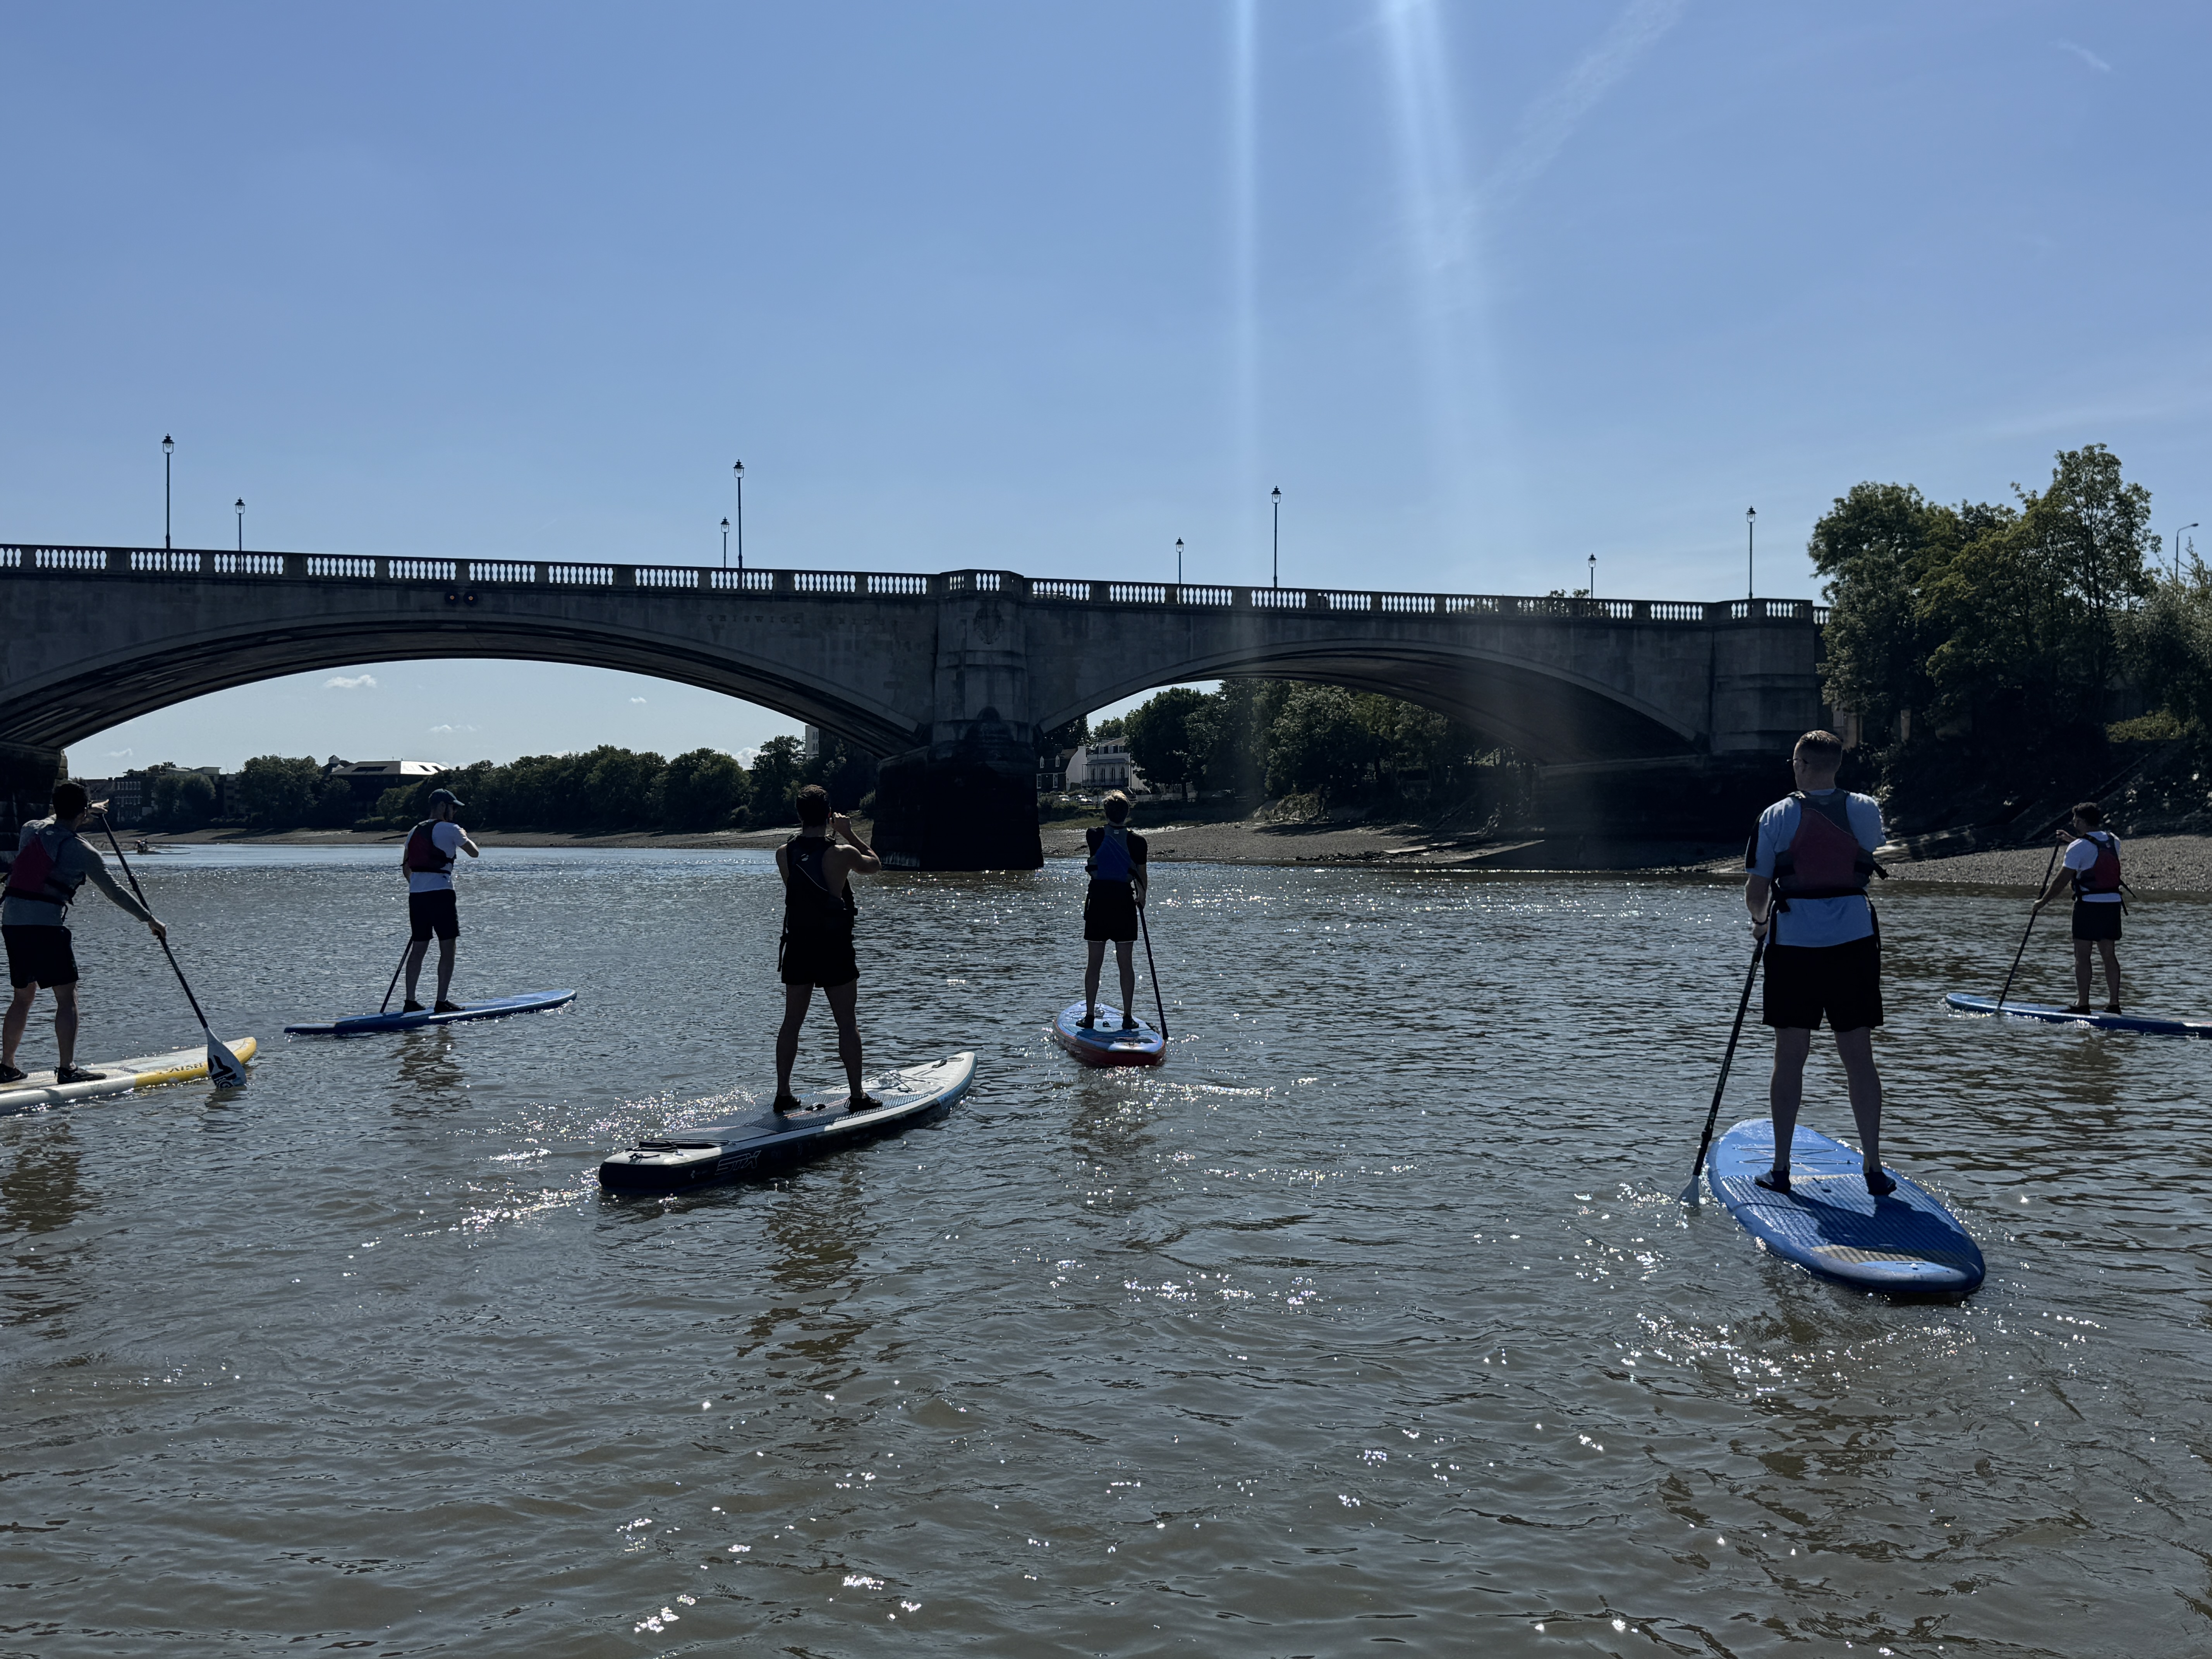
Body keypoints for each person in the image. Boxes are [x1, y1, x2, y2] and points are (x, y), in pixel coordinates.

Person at [1743, 730, 1894, 1197]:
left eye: (1795, 762)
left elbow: (1757, 892)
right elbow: (1866, 853)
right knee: (1859, 1058)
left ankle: (1782, 1168)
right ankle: (1872, 1166)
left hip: (1794, 948)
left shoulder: (1776, 815)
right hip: (1854, 942)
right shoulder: (1867, 809)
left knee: (1790, 1057)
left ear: (1803, 765)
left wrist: (1760, 923)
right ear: (1838, 766)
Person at [0, 781, 168, 1084]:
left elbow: (52, 821)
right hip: (46, 928)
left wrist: (84, 809)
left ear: (55, 807)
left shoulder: (31, 830)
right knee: (67, 998)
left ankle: (7, 1066)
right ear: (84, 815)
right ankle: (68, 1068)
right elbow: (114, 892)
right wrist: (150, 920)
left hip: (12, 922)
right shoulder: (83, 851)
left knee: (23, 998)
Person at [773, 784, 882, 1113]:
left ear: (799, 815)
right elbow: (875, 864)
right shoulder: (841, 854)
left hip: (799, 945)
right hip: (833, 947)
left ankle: (783, 1094)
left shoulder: (784, 853)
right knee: (847, 1023)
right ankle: (858, 1096)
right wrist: (848, 833)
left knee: (791, 1022)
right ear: (828, 815)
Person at [2033, 802, 2124, 1014]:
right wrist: (2072, 841)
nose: (2074, 823)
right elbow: (2094, 851)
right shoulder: (2113, 841)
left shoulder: (2078, 847)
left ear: (2081, 821)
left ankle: (2083, 1004)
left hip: (2088, 906)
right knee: (2109, 955)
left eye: (2075, 820)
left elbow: (2061, 882)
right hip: (2112, 904)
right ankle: (2114, 1004)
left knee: (2082, 956)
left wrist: (2042, 903)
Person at [400, 787, 479, 1013]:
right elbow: (474, 853)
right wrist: (462, 834)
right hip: (441, 894)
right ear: (443, 806)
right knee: (448, 947)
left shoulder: (414, 830)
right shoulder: (452, 829)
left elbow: (407, 868)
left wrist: (418, 887)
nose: (454, 811)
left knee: (419, 948)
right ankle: (441, 1002)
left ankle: (410, 1001)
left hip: (416, 896)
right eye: (453, 807)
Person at [1081, 790, 1149, 1030]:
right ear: (1127, 813)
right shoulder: (1138, 842)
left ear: (1106, 812)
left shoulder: (1094, 836)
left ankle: (1089, 1017)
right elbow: (1142, 878)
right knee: (1126, 965)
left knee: (1094, 965)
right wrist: (1142, 898)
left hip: (1099, 903)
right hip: (1123, 904)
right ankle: (1128, 1017)